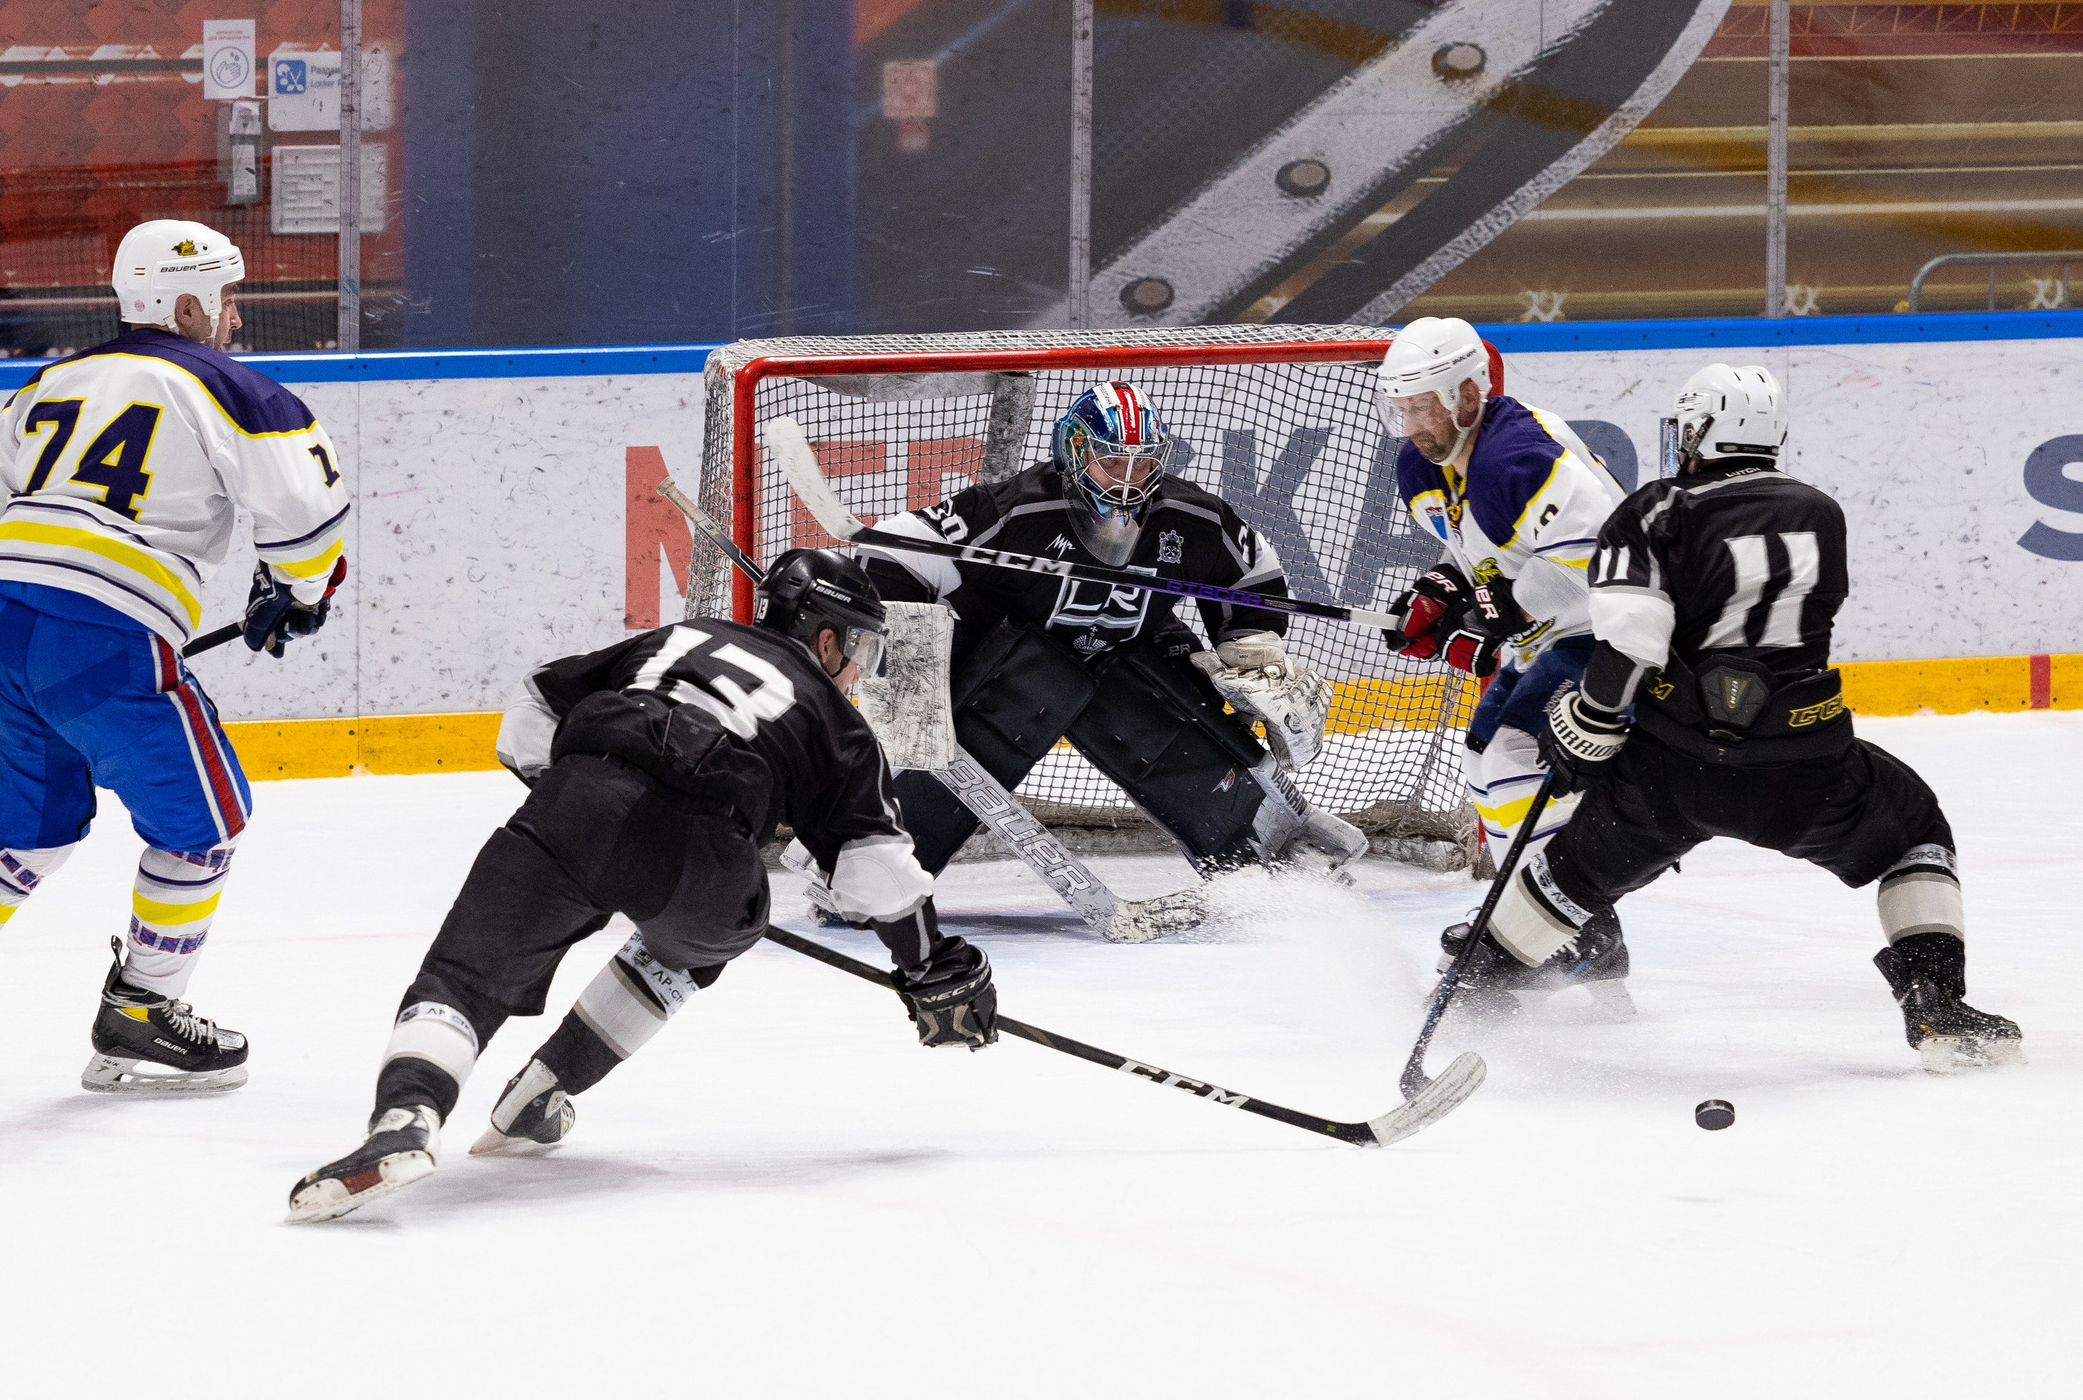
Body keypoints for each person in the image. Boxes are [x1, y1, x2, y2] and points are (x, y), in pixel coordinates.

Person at [285, 550, 996, 1223]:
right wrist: (929, 965)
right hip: (707, 865)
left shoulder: (684, 635)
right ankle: (544, 1092)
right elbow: (876, 877)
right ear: (829, 638)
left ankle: (404, 1120)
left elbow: (531, 710)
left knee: (461, 980)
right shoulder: (840, 725)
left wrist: (577, 808)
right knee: (693, 949)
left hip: (579, 801)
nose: (858, 675)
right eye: (861, 652)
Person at [0, 219, 350, 1098]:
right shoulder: (234, 387)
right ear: (188, 304)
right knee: (203, 824)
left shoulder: (46, 384)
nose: (236, 320)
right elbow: (307, 522)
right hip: (103, 637)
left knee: (18, 834)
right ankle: (144, 1010)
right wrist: (297, 594)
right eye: (227, 300)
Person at [1487, 364, 2023, 1070]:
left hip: (1672, 770)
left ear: (1703, 430)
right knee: (1914, 831)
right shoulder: (1820, 510)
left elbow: (1632, 639)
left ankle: (1478, 994)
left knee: (1574, 872)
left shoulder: (1655, 509)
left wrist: (1588, 721)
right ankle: (1937, 1007)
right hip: (1804, 766)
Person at [855, 381, 1359, 882]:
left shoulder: (1191, 517)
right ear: (1075, 452)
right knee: (1006, 705)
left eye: (1142, 463)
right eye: (1112, 461)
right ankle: (878, 870)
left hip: (1130, 654)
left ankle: (1259, 862)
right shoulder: (1015, 510)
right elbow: (888, 553)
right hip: (1009, 665)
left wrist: (1249, 641)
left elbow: (1253, 575)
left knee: (1180, 709)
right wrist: (911, 671)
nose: (1128, 479)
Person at [1376, 317, 1635, 1011]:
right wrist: (1444, 593)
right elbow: (1480, 559)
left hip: (1619, 633)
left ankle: (1578, 926)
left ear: (1467, 394)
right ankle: (1563, 927)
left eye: (1421, 405)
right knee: (1485, 758)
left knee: (1520, 751)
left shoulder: (1518, 455)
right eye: (1400, 408)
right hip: (1554, 634)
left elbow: (1593, 563)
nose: (1411, 424)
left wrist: (1496, 621)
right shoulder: (1422, 466)